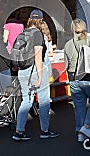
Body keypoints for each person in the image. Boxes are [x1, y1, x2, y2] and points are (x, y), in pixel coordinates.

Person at [12, 9, 59, 141]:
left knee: (26, 100)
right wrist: (40, 76)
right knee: (44, 101)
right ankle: (45, 130)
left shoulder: (23, 33)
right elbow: (38, 57)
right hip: (35, 71)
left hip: (23, 71)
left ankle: (19, 131)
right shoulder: (37, 34)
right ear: (41, 21)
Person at [64, 18, 90, 143]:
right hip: (89, 78)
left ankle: (80, 132)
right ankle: (87, 126)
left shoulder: (68, 44)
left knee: (79, 107)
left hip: (74, 79)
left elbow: (66, 65)